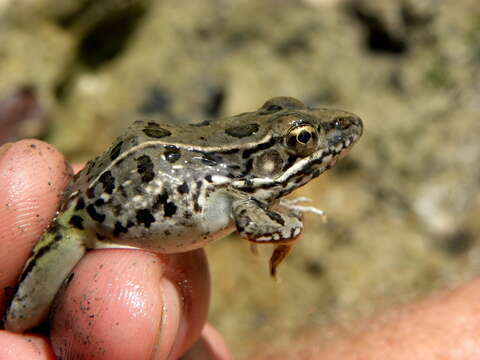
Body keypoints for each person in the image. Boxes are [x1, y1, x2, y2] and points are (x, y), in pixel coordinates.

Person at [1, 140, 480, 359]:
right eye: (300, 142)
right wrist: (289, 223)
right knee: (19, 319)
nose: (319, 147)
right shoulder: (238, 197)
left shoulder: (237, 191)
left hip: (94, 221)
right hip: (77, 229)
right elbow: (257, 227)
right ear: (266, 155)